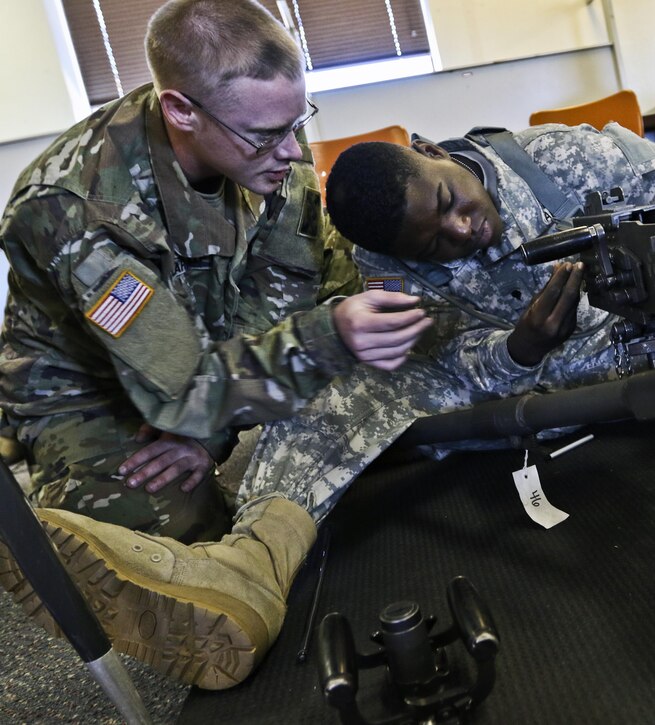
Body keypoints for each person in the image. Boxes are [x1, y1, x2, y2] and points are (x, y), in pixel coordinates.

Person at [0, 0, 430, 690]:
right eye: (267, 136)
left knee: (365, 406)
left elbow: (284, 295)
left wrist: (213, 429)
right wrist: (320, 343)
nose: (292, 153)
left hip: (198, 357)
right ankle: (92, 503)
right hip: (89, 394)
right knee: (171, 513)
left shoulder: (265, 144)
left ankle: (253, 540)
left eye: (298, 123)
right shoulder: (73, 206)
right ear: (181, 111)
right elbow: (183, 387)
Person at [234, 123, 655, 523]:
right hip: (535, 383)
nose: (464, 229)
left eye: (450, 201)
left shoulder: (556, 156)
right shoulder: (383, 271)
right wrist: (517, 349)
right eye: (433, 247)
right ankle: (254, 555)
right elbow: (440, 356)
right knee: (333, 397)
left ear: (430, 151)